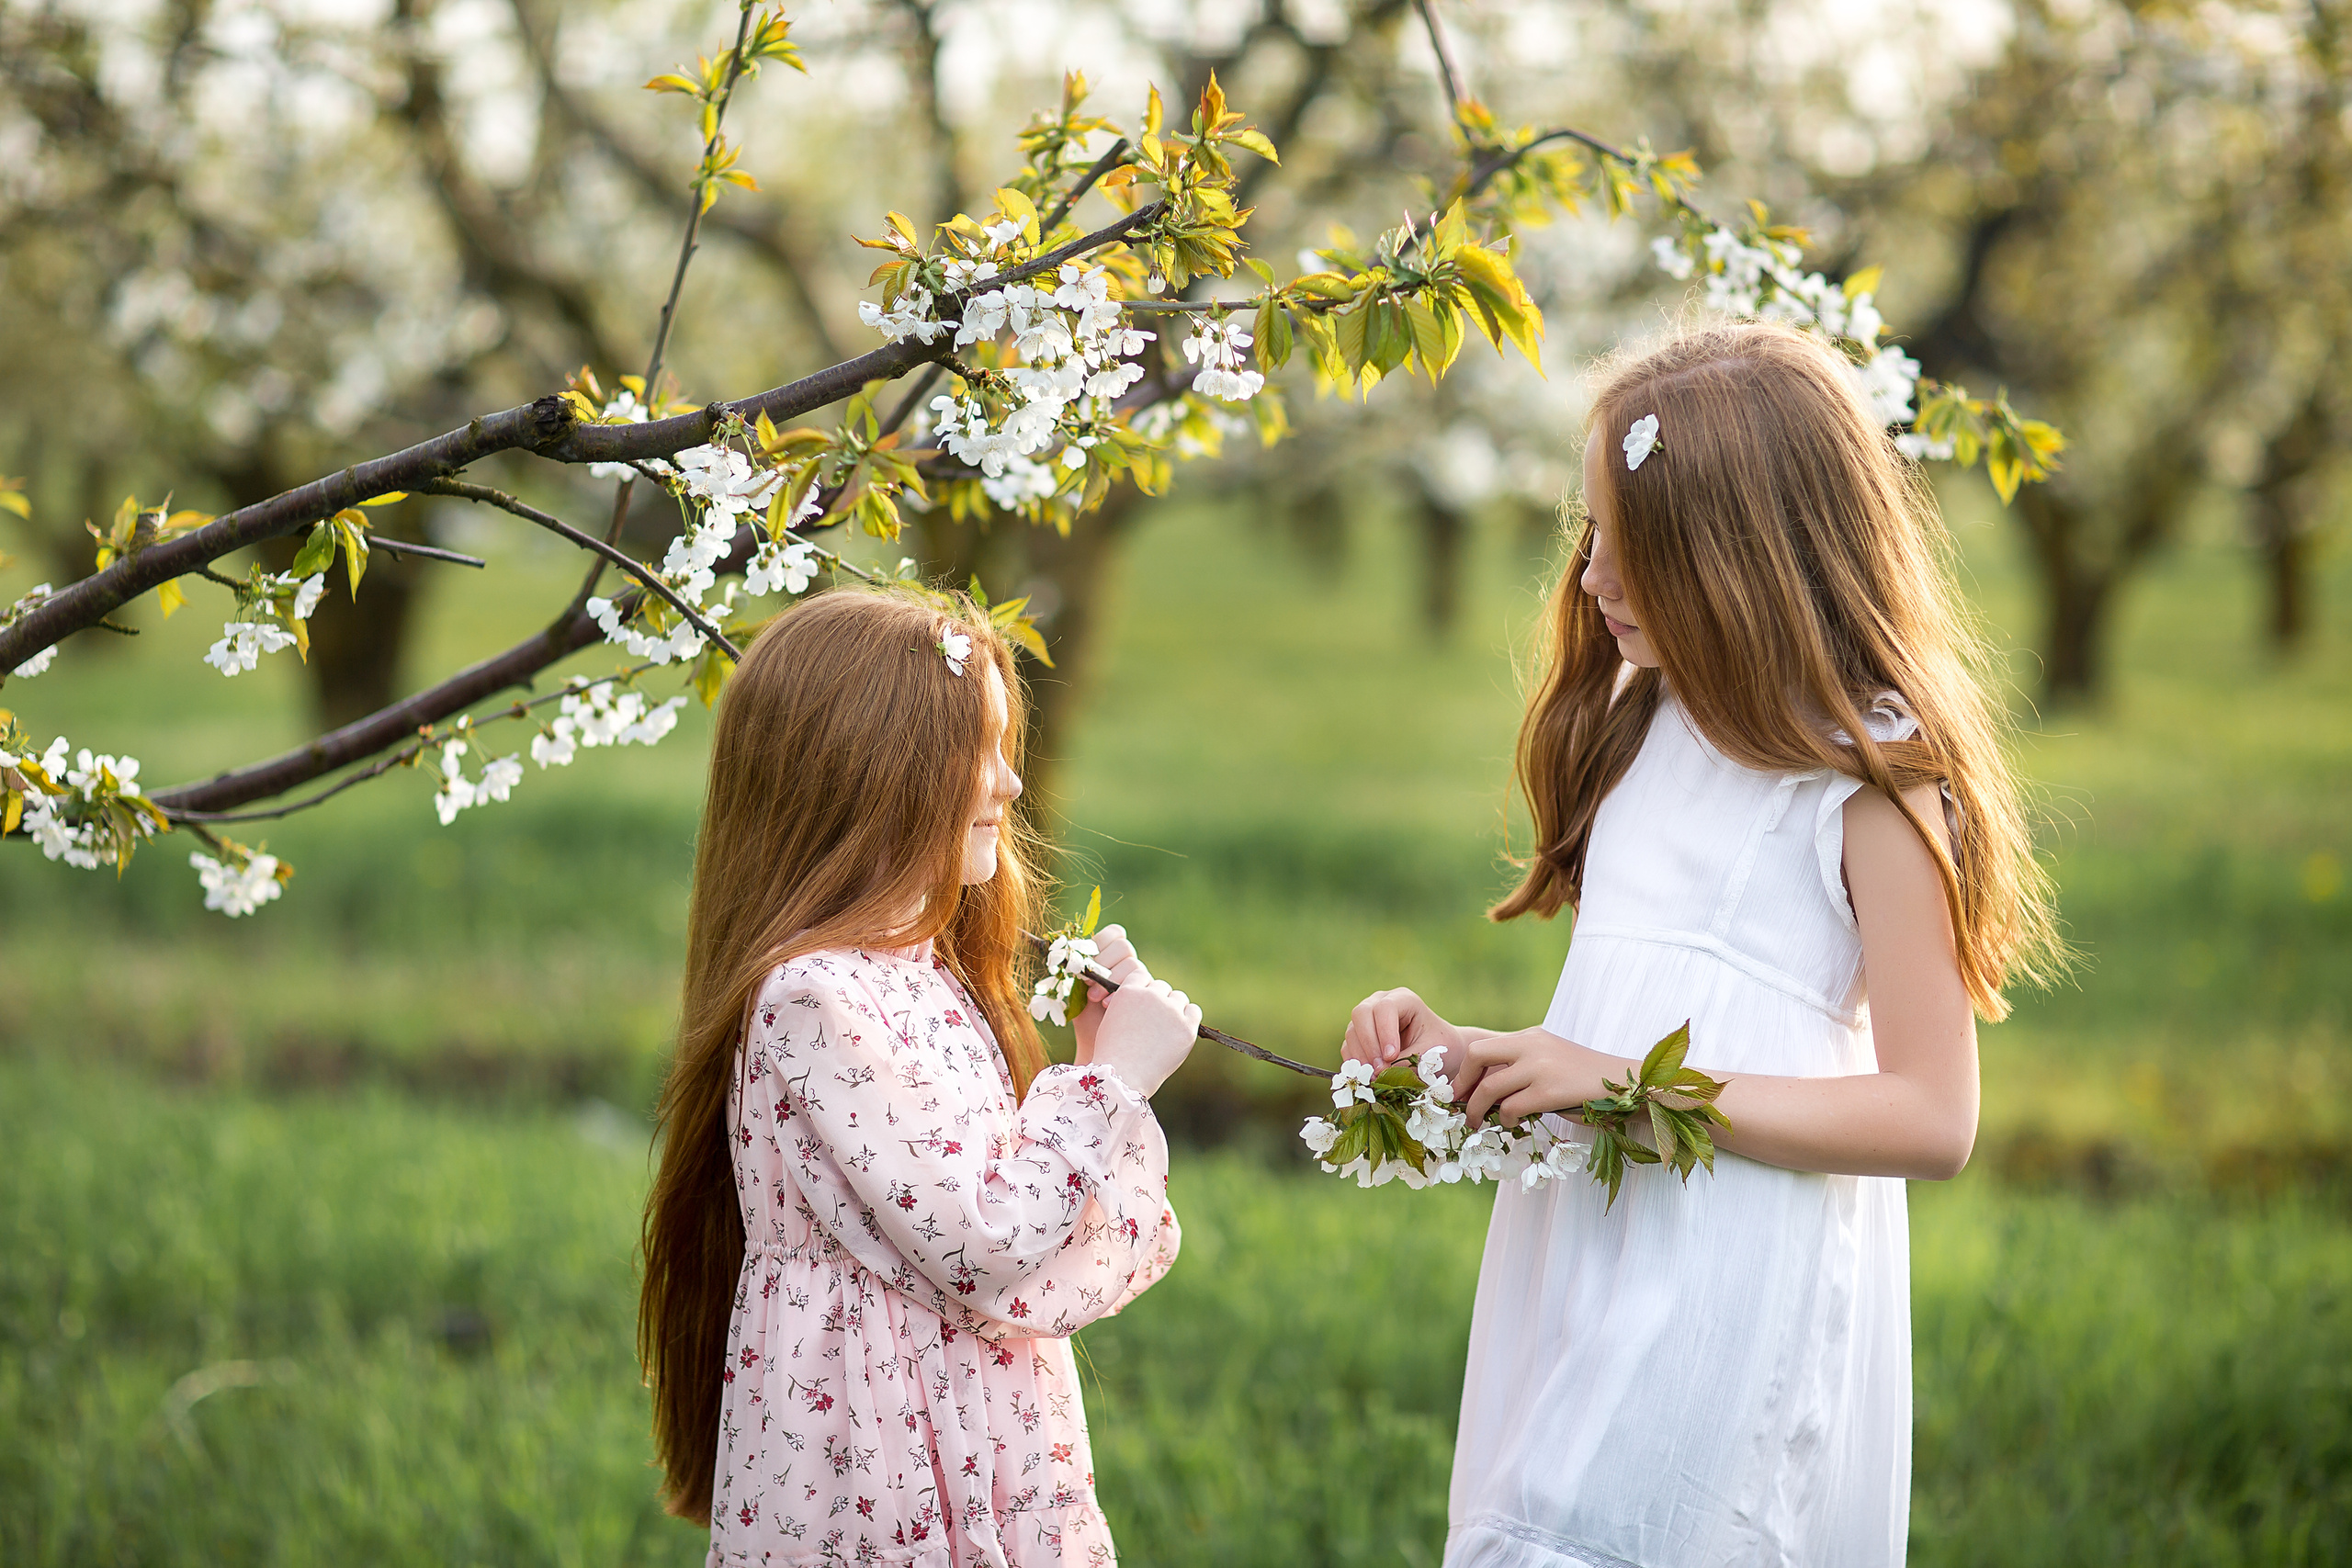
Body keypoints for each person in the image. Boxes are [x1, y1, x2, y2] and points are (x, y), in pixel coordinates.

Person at [1342, 321, 2064, 1568]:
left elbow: (1932, 1117)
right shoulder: (1644, 713)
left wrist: (1623, 1081)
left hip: (1731, 1264)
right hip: (1589, 1237)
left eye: (1636, 550)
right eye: (1590, 538)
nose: (1590, 581)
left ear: (1740, 559)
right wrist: (1481, 1060)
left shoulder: (1874, 781)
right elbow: (1628, 997)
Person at [639, 586, 1201, 1567]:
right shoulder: (814, 998)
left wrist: (1087, 1058)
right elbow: (984, 1241)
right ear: (873, 770)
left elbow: (999, 1231)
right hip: (873, 1449)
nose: (1011, 786)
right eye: (977, 751)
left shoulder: (923, 973)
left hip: (977, 1428)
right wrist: (1111, 1085)